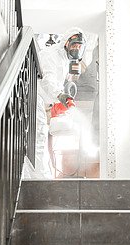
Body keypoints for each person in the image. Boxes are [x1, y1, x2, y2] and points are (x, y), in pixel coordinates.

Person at [34, 27, 87, 178]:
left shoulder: (63, 60)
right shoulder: (52, 55)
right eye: (74, 45)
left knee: (40, 137)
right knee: (38, 137)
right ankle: (39, 178)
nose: (76, 49)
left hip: (42, 100)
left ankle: (38, 176)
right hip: (35, 97)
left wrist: (57, 103)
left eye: (79, 47)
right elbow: (47, 81)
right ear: (66, 43)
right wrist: (60, 96)